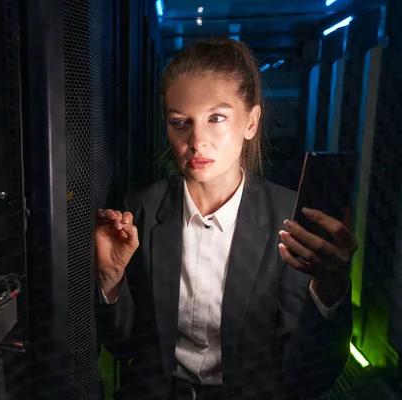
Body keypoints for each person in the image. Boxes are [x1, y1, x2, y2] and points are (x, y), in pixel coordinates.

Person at [95, 38, 356, 400]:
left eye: (216, 118)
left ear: (251, 121)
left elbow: (309, 375)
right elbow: (125, 347)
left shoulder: (288, 219)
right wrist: (111, 281)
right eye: (180, 121)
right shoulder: (139, 210)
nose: (197, 140)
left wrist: (330, 288)